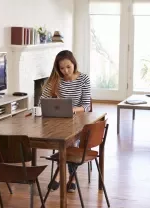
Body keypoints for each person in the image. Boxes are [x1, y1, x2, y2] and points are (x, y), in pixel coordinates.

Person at [39, 50, 91, 193]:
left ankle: (65, 178)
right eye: (62, 68)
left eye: (68, 67)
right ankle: (66, 178)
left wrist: (73, 110)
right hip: (58, 122)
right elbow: (41, 102)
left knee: (70, 143)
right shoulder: (55, 80)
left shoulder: (83, 79)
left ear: (74, 64)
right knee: (65, 143)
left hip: (79, 121)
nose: (65, 71)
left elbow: (86, 106)